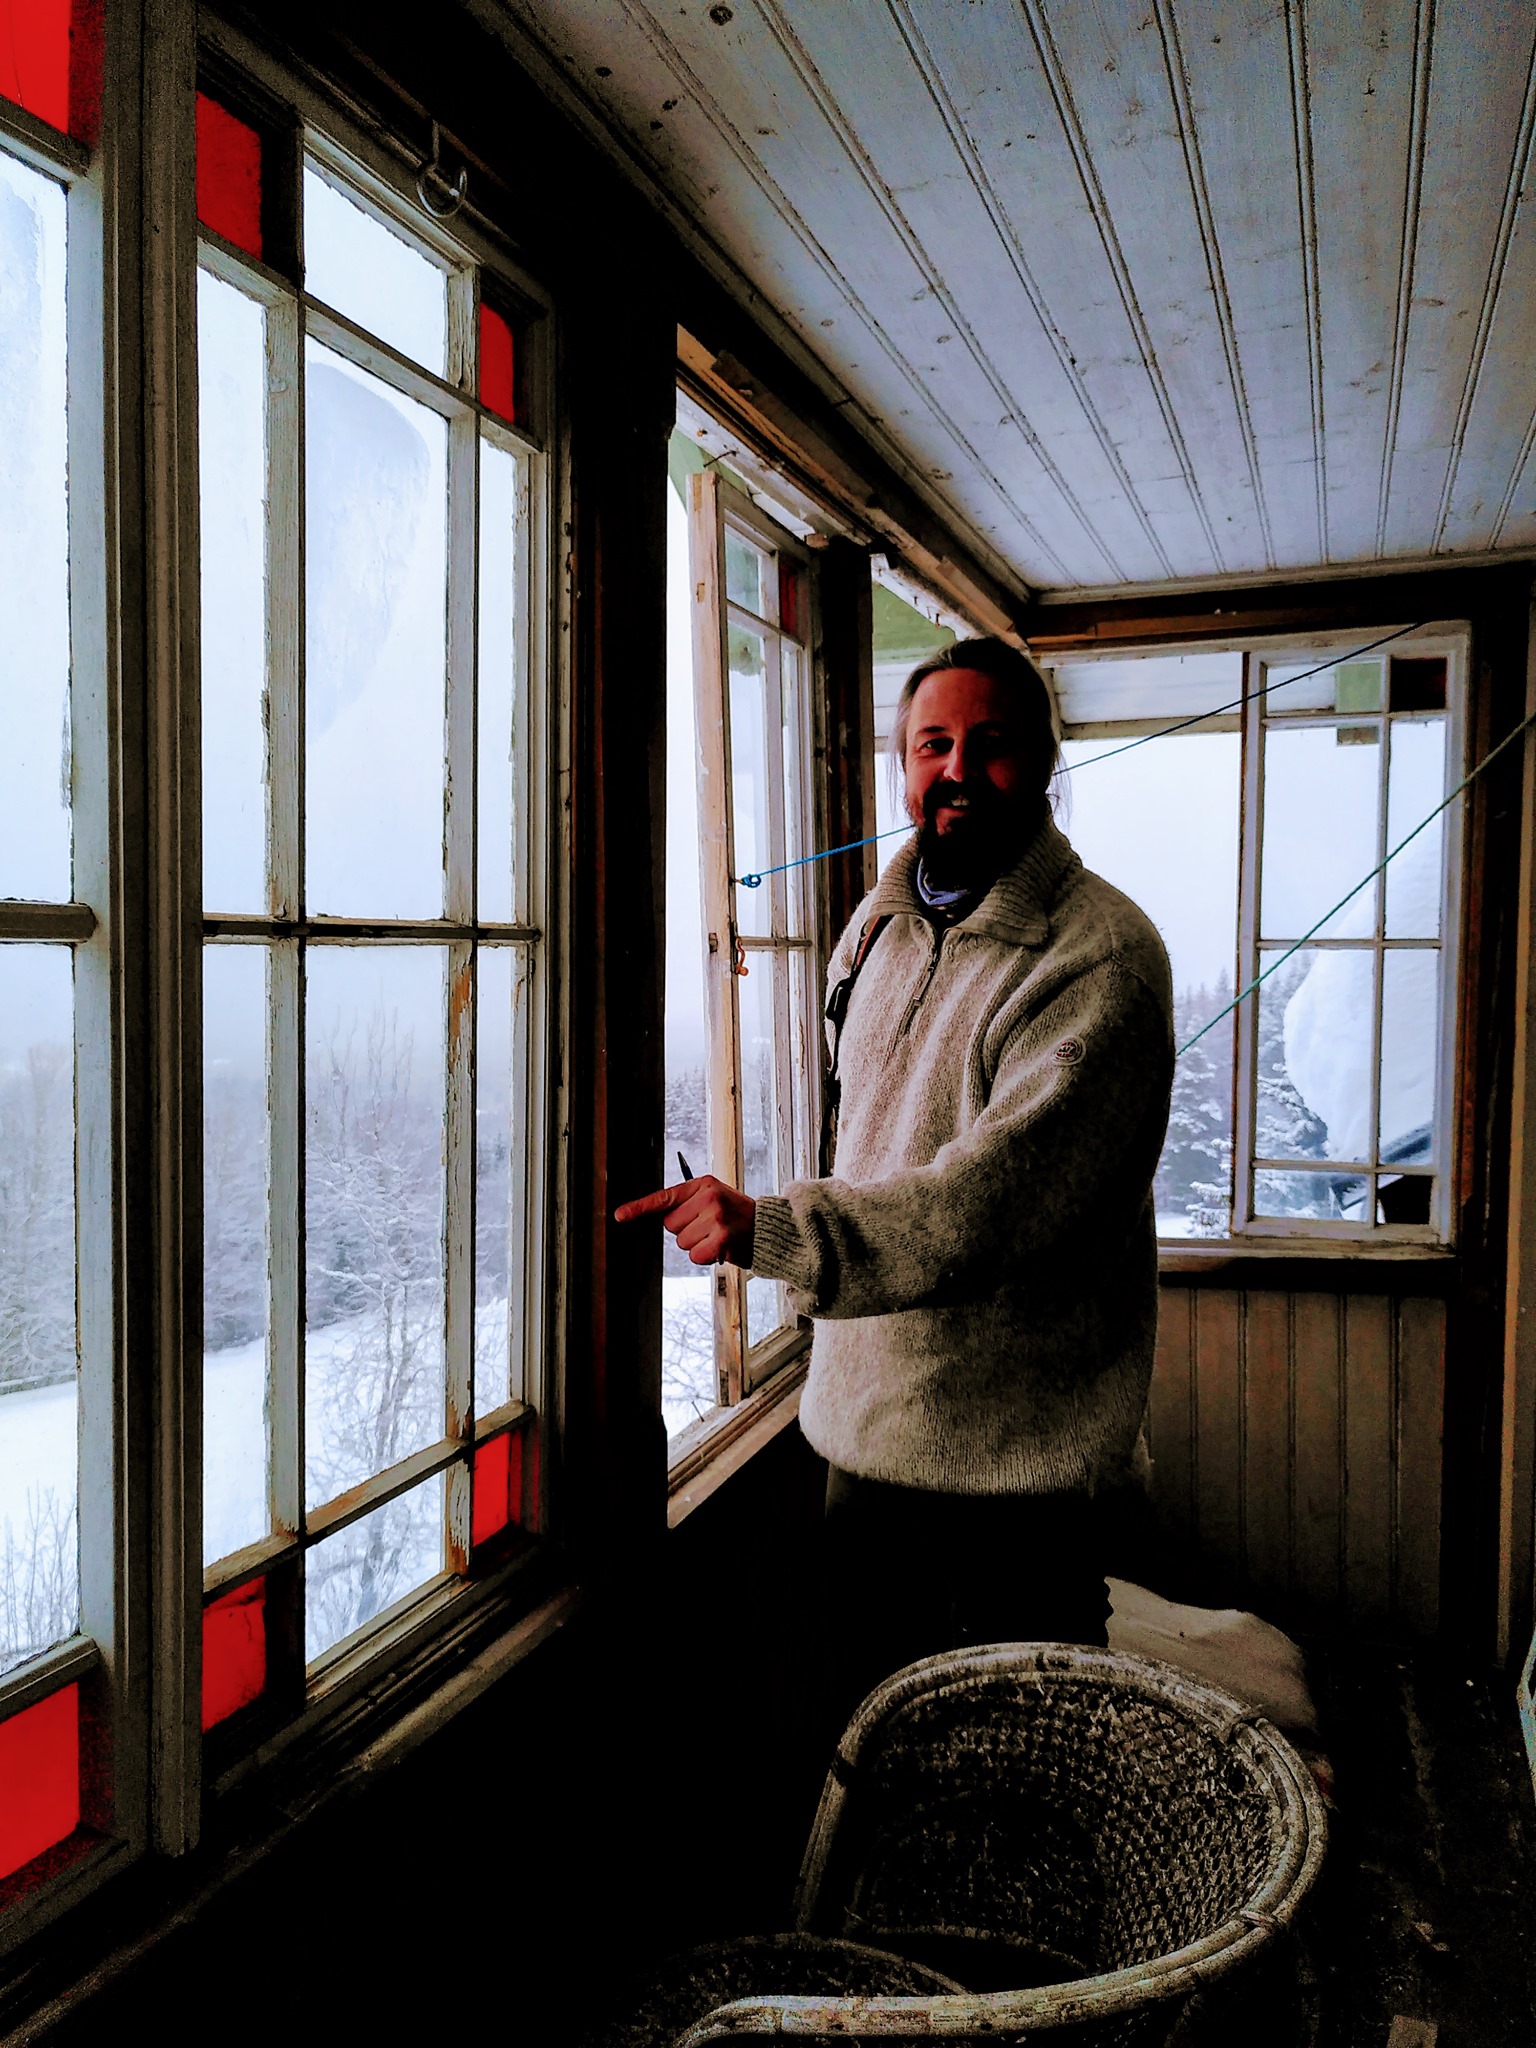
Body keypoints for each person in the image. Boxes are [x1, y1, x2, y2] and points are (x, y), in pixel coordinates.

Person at [616, 637, 1173, 1711]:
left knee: (1022, 1779)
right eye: (933, 743)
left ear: (1045, 762)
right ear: (903, 766)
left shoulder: (1100, 958)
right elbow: (863, 1141)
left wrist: (773, 1230)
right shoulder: (876, 931)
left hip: (1018, 1487)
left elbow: (989, 1206)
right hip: (865, 1448)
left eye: (991, 743)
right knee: (879, 1756)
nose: (958, 768)